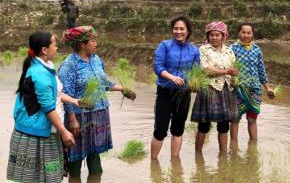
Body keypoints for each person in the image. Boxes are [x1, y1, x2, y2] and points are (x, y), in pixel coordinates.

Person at [58, 26, 134, 178]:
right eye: (92, 41)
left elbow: (104, 83)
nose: (96, 44)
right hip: (80, 116)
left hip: (99, 112)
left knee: (94, 152)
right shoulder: (70, 64)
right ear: (81, 44)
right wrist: (72, 120)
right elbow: (65, 94)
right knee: (76, 156)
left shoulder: (96, 59)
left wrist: (123, 89)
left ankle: (95, 177)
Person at [7, 32, 77, 183]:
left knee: (44, 178)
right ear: (45, 50)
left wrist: (75, 101)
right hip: (36, 133)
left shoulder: (45, 67)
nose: (57, 48)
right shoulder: (40, 73)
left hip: (44, 130)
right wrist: (64, 132)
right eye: (55, 44)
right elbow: (48, 107)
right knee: (37, 179)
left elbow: (55, 94)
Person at [151, 16, 200, 159]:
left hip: (183, 94)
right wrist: (171, 77)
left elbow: (196, 71)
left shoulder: (194, 50)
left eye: (181, 29)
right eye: (175, 28)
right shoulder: (164, 45)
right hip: (165, 93)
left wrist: (192, 82)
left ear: (188, 31)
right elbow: (158, 67)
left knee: (178, 130)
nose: (178, 31)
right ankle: (153, 163)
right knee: (160, 130)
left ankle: (175, 162)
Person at [191, 21, 238, 153]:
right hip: (209, 89)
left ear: (223, 36)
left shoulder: (229, 51)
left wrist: (235, 78)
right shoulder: (203, 49)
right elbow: (206, 69)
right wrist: (226, 71)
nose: (214, 38)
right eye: (211, 35)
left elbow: (234, 68)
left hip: (226, 90)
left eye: (217, 35)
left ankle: (222, 156)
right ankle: (198, 156)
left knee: (223, 126)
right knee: (204, 125)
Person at [230, 23, 274, 141]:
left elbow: (261, 70)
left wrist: (267, 88)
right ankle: (233, 149)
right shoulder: (232, 49)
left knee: (252, 119)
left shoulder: (256, 50)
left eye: (248, 33)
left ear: (252, 34)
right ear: (239, 33)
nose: (246, 35)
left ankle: (253, 148)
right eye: (243, 32)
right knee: (235, 119)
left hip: (254, 89)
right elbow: (228, 68)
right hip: (237, 89)